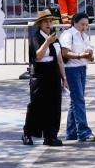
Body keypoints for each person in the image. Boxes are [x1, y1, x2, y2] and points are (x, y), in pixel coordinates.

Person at [22, 10, 67, 147]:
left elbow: (60, 60)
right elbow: (38, 56)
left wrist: (64, 78)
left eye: (50, 21)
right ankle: (27, 133)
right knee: (37, 106)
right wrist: (47, 42)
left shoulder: (54, 38)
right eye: (46, 21)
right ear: (40, 24)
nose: (48, 24)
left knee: (54, 105)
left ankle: (50, 136)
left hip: (54, 74)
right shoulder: (36, 38)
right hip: (40, 75)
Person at [58, 13, 95, 142]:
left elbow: (88, 51)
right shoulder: (68, 34)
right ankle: (83, 132)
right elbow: (65, 53)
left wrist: (89, 56)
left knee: (75, 100)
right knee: (78, 100)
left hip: (81, 68)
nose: (84, 27)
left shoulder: (83, 35)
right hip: (71, 70)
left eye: (86, 25)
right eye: (82, 24)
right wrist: (80, 55)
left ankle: (72, 131)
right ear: (75, 23)